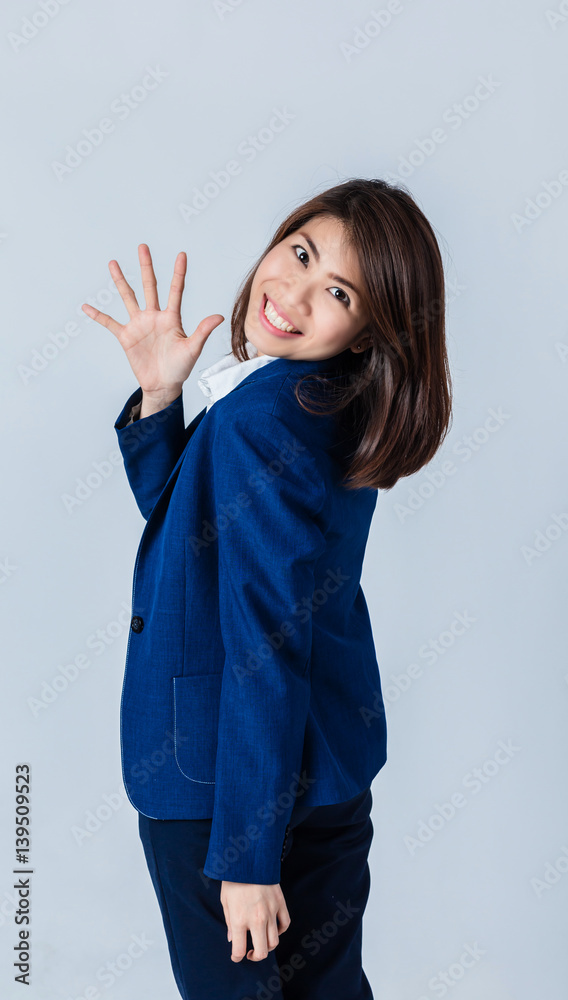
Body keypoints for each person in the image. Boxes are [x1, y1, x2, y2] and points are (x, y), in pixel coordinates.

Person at [82, 177, 453, 999]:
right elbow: (202, 539)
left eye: (338, 292)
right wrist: (161, 397)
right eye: (300, 253)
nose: (291, 294)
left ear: (367, 330)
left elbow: (263, 638)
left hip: (226, 786)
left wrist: (245, 858)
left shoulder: (261, 417)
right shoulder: (332, 403)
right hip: (319, 770)